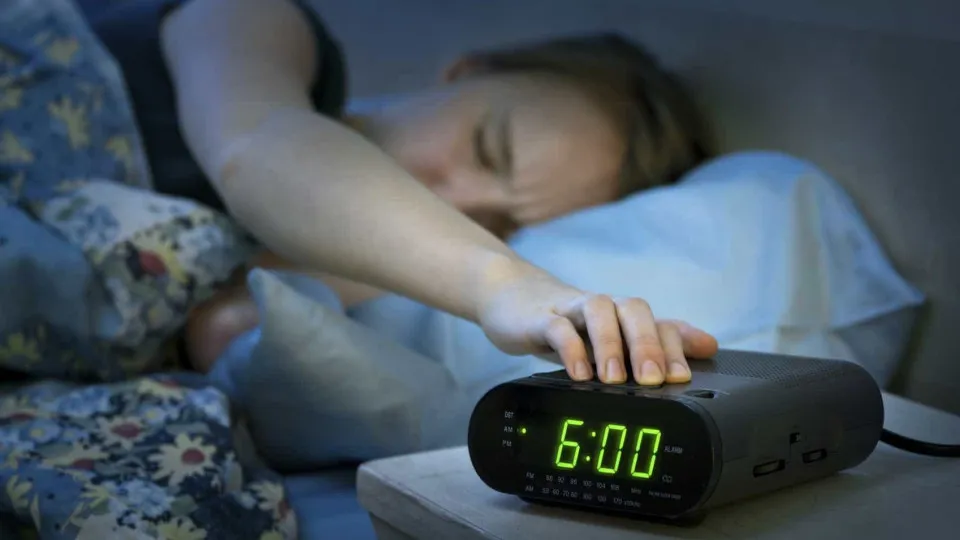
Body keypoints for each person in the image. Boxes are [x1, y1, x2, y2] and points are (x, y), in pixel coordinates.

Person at [85, 0, 720, 386]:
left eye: (496, 224)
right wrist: (504, 283)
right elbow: (254, 144)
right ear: (468, 71)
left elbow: (218, 330)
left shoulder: (382, 273)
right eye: (487, 148)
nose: (457, 200)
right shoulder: (261, 21)